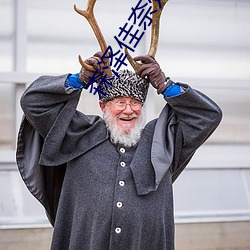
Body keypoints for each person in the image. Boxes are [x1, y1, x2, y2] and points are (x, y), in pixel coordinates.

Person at [16, 52, 222, 250]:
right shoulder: (79, 132)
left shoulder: (163, 140)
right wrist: (78, 80)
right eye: (120, 102)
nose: (128, 110)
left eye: (135, 103)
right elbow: (32, 102)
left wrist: (165, 85)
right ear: (103, 105)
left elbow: (208, 116)